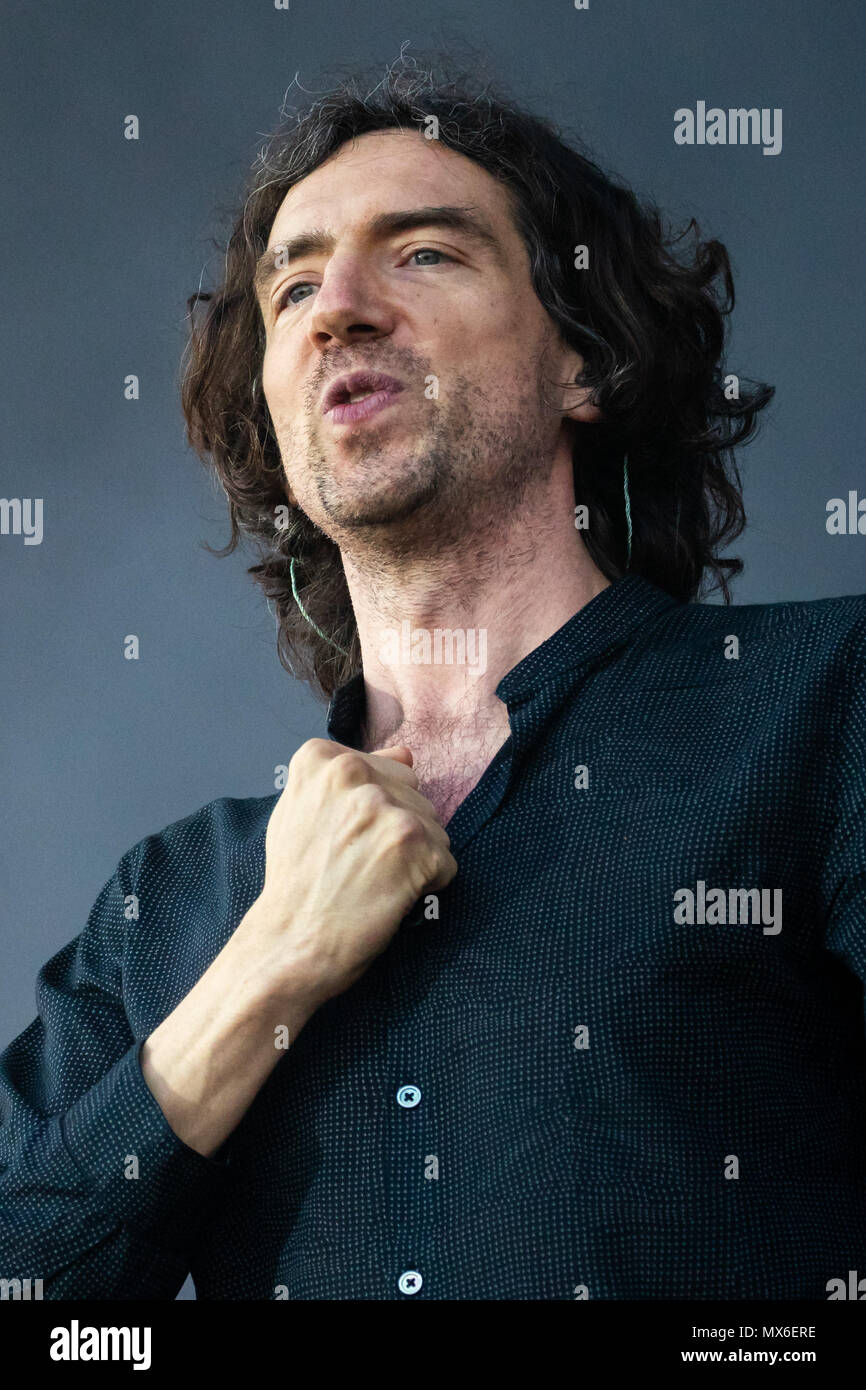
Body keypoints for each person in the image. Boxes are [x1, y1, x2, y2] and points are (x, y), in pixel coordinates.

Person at [1, 57, 864, 1301]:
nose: (335, 307)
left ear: (585, 362)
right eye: (293, 283)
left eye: (422, 255)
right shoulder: (171, 906)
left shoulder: (825, 711)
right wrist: (268, 966)